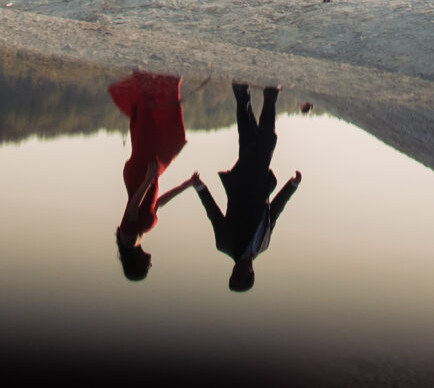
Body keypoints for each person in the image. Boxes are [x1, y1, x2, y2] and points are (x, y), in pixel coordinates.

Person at [191, 83, 302, 292]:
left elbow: (213, 215)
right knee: (250, 141)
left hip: (242, 183)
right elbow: (274, 211)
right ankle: (243, 96)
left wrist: (201, 189)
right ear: (252, 274)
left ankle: (269, 96)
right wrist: (292, 186)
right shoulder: (263, 245)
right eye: (241, 276)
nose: (237, 271)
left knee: (266, 142)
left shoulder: (225, 244)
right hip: (260, 184)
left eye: (234, 275)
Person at [109, 70, 197, 281]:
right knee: (173, 140)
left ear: (136, 264)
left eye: (145, 267)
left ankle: (146, 78)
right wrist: (186, 185)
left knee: (147, 126)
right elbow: (156, 204)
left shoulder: (129, 239)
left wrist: (147, 181)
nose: (150, 263)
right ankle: (163, 81)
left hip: (141, 177)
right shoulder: (138, 239)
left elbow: (132, 206)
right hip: (148, 178)